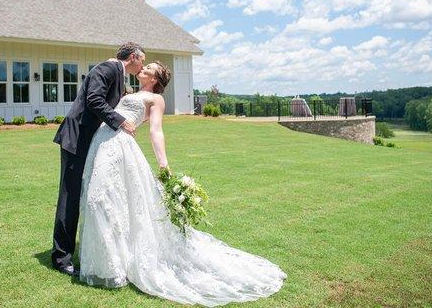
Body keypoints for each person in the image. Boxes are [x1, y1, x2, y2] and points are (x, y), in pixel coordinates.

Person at [78, 61, 287, 306]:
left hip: (121, 146)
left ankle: (112, 265)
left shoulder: (155, 100)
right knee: (106, 199)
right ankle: (110, 259)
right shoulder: (129, 93)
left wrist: (163, 164)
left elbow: (156, 131)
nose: (143, 68)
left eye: (149, 68)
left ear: (155, 78)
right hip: (104, 142)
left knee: (101, 198)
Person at [51, 42, 145, 276]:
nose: (142, 65)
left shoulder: (118, 74)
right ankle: (61, 258)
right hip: (77, 139)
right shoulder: (107, 68)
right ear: (133, 57)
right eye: (142, 60)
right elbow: (94, 100)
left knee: (86, 194)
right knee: (70, 197)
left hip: (91, 143)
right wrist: (121, 121)